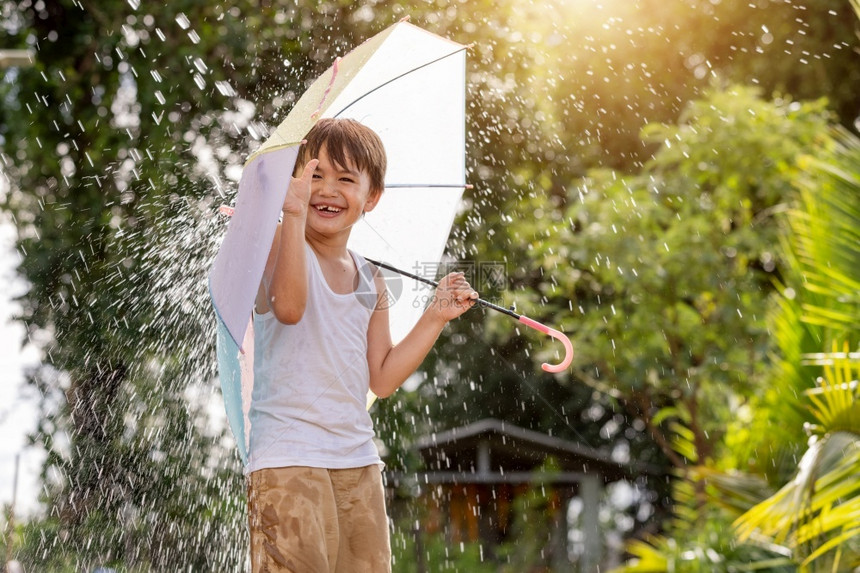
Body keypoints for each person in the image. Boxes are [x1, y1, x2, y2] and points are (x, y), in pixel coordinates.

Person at [248, 118, 478, 572]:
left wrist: (434, 316)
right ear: (294, 182)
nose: (326, 189)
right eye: (314, 175)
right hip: (288, 458)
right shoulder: (280, 240)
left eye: (345, 179)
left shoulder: (373, 278)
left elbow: (383, 377)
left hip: (357, 460)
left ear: (371, 197)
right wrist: (290, 215)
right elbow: (289, 307)